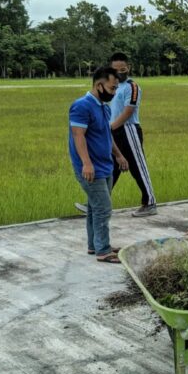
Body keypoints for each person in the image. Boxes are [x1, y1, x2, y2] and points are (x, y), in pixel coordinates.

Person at [69, 67, 129, 263]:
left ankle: (94, 245)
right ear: (99, 85)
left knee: (96, 208)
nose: (113, 93)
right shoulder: (81, 106)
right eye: (112, 88)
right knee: (103, 208)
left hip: (105, 165)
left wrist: (119, 156)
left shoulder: (104, 106)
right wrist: (86, 163)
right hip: (90, 168)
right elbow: (78, 136)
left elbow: (106, 134)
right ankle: (103, 251)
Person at [109, 52, 158, 217]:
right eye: (116, 70)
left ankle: (150, 202)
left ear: (128, 68)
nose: (119, 72)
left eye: (122, 69)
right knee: (111, 167)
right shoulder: (113, 87)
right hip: (114, 131)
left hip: (128, 130)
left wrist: (111, 127)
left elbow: (128, 111)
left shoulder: (132, 87)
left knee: (138, 166)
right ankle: (99, 202)